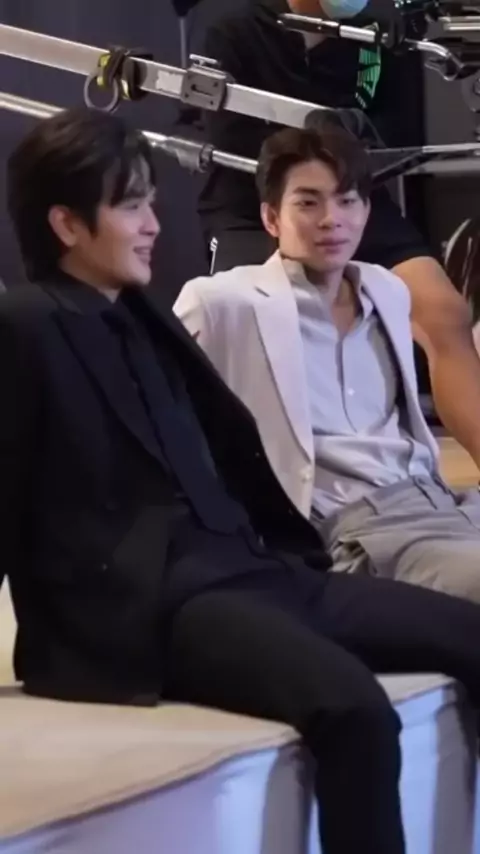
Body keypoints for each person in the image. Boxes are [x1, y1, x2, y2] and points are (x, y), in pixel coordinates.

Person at [5, 108, 480, 854]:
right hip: (158, 603)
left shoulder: (144, 314)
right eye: (131, 207)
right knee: (353, 707)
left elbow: (228, 452)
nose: (154, 225)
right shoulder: (25, 328)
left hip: (255, 567)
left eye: (150, 203)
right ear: (66, 224)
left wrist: (286, 552)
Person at [175, 123, 480, 602]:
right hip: (359, 533)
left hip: (444, 504)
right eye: (308, 202)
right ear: (271, 217)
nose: (331, 219)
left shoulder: (387, 290)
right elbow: (152, 405)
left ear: (366, 212)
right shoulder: (224, 301)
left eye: (346, 201)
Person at [177, 0, 480, 471]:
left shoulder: (376, 29)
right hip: (251, 206)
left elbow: (395, 124)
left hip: (353, 197)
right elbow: (221, 131)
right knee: (258, 325)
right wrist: (312, 143)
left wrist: (360, 137)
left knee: (444, 313)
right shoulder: (228, 24)